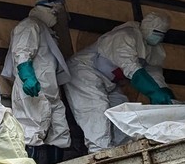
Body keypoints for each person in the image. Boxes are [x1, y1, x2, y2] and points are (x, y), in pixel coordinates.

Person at [65, 12, 174, 152]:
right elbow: (131, 67)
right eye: (156, 32)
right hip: (84, 71)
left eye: (162, 34)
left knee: (121, 109)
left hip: (108, 81)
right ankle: (99, 151)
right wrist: (153, 91)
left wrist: (163, 91)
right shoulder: (125, 36)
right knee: (95, 108)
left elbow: (154, 73)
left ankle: (122, 149)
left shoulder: (152, 49)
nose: (159, 37)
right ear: (147, 27)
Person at [1, 0, 71, 164]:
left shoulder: (46, 30)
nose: (56, 15)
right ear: (44, 8)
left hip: (50, 90)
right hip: (33, 88)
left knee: (59, 132)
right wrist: (28, 77)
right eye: (54, 11)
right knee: (32, 129)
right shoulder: (29, 25)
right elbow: (22, 51)